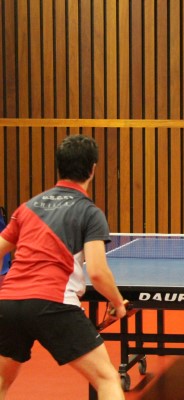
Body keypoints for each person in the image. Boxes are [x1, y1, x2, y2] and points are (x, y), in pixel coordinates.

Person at [0, 135, 127, 399]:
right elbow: (97, 272)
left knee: (2, 380)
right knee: (107, 379)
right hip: (53, 303)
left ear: (59, 167)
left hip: (8, 304)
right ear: (93, 168)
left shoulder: (27, 207)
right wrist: (117, 302)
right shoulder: (89, 212)